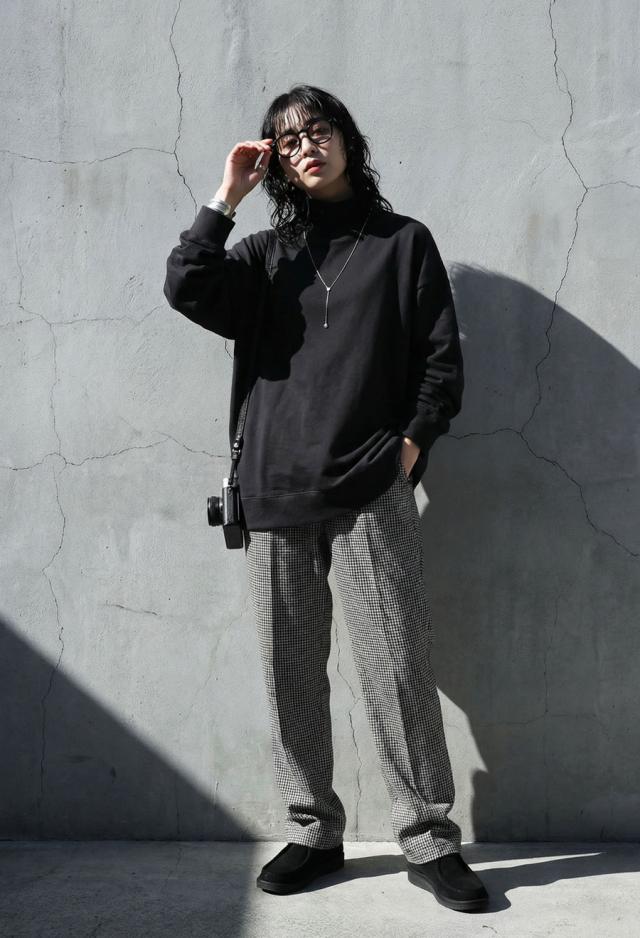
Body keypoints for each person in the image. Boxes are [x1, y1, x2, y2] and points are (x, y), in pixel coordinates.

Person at [163, 84, 488, 913]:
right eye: (287, 139)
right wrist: (225, 197)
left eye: (318, 129)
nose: (305, 145)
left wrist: (408, 447)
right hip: (273, 490)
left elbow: (441, 362)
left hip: (369, 489)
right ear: (276, 160)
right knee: (291, 676)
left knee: (398, 668)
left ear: (346, 138)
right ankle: (313, 832)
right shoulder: (264, 257)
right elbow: (187, 286)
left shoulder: (402, 243)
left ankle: (429, 837)